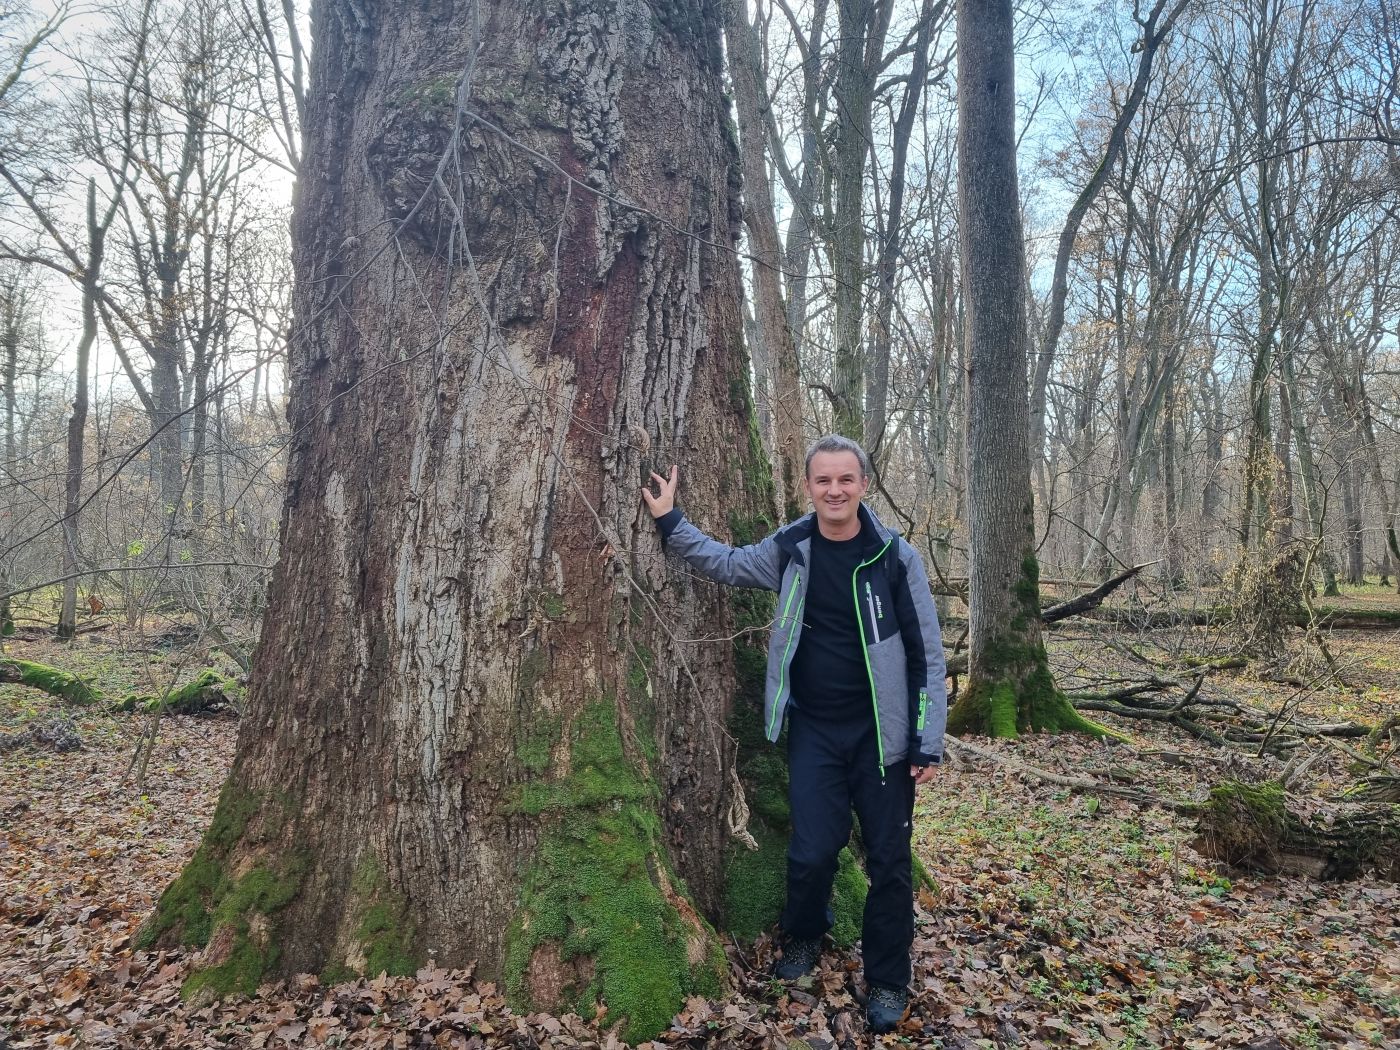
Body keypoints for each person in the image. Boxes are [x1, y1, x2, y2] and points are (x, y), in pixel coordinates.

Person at [641, 434, 947, 1034]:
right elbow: (726, 563)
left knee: (889, 862)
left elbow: (927, 657)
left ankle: (887, 978)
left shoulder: (892, 558)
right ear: (809, 487)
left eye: (846, 480)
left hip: (883, 740)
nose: (835, 490)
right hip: (815, 730)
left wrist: (926, 739)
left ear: (863, 485)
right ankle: (806, 934)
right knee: (810, 851)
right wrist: (671, 520)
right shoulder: (794, 547)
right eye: (823, 480)